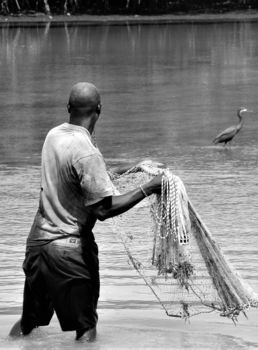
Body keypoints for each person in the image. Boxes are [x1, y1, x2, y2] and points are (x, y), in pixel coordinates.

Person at [9, 82, 163, 342]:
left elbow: (89, 175)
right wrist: (149, 188)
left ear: (68, 107)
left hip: (37, 246)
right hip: (68, 250)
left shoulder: (54, 136)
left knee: (29, 323)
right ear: (99, 109)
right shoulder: (86, 150)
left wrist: (136, 167)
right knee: (86, 329)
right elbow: (103, 209)